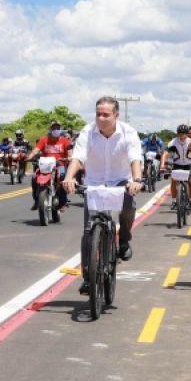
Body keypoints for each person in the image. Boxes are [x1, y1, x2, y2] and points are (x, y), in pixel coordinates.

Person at [62, 96, 143, 295]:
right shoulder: (88, 131)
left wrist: (137, 180)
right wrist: (69, 177)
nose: (101, 118)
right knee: (88, 232)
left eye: (106, 115)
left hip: (120, 181)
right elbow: (78, 157)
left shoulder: (128, 132)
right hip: (94, 183)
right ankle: (88, 278)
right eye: (98, 114)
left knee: (128, 206)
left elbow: (134, 157)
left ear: (116, 115)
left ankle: (123, 239)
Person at [27, 120, 72, 211]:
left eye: (58, 128)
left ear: (60, 129)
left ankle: (63, 202)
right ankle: (37, 201)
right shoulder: (44, 140)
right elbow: (36, 150)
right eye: (54, 128)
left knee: (63, 177)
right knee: (34, 177)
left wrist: (69, 157)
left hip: (59, 164)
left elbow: (70, 153)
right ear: (50, 129)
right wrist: (30, 157)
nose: (56, 129)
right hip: (45, 165)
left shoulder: (65, 140)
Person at [159, 125, 191, 211]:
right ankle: (174, 201)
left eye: (184, 134)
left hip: (189, 165)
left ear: (187, 134)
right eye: (180, 134)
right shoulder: (173, 142)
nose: (182, 136)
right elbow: (166, 154)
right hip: (177, 164)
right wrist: (162, 166)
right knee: (173, 181)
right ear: (177, 134)